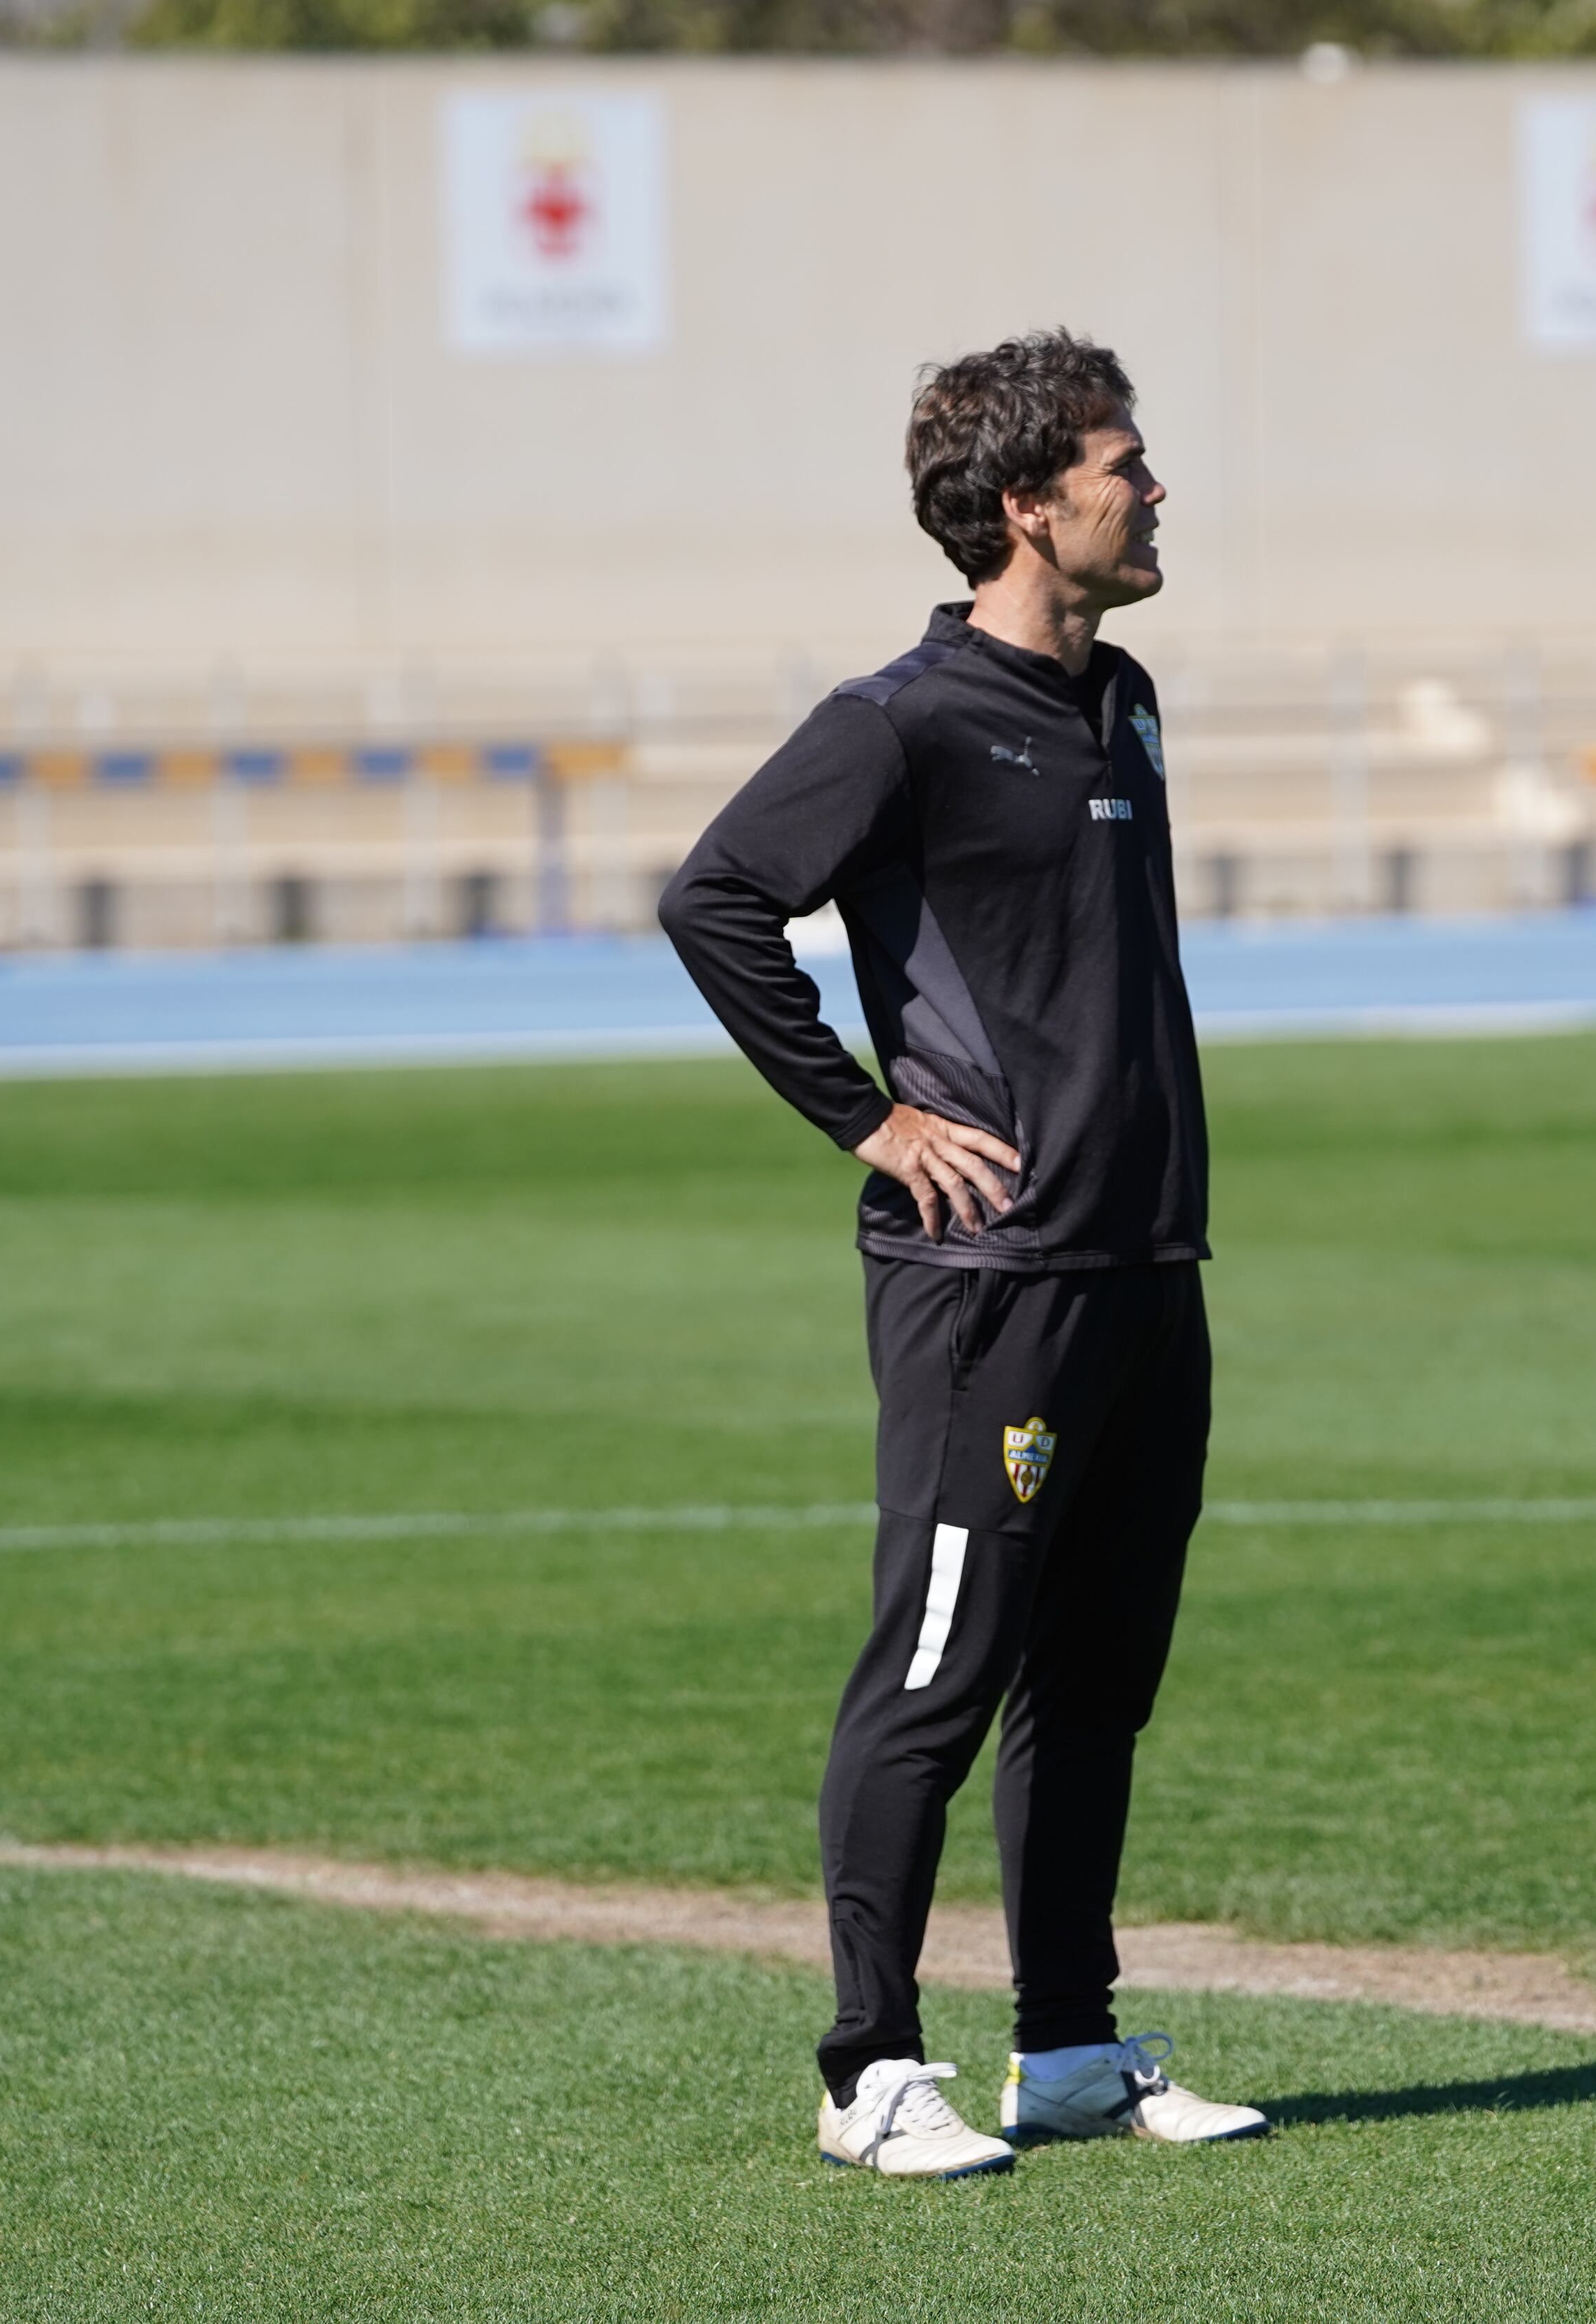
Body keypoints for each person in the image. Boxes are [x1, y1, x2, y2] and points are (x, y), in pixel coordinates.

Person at [658, 331, 1269, 2181]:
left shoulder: (1128, 694)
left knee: (1095, 1679)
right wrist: (870, 1119)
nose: (1154, 490)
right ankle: (868, 2069)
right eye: (1123, 465)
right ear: (1027, 506)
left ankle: (1068, 2046)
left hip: (1146, 1266)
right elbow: (716, 900)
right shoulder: (899, 720)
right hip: (987, 1282)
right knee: (939, 1665)